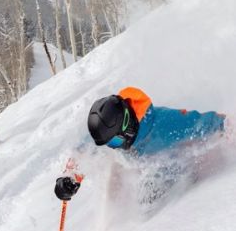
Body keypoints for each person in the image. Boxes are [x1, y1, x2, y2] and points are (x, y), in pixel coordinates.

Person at [54, 86, 226, 201]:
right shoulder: (111, 129)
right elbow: (85, 150)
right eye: (110, 143)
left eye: (115, 141)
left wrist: (227, 127)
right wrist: (70, 178)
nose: (114, 147)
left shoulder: (165, 125)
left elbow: (209, 123)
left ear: (126, 126)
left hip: (181, 177)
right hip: (147, 180)